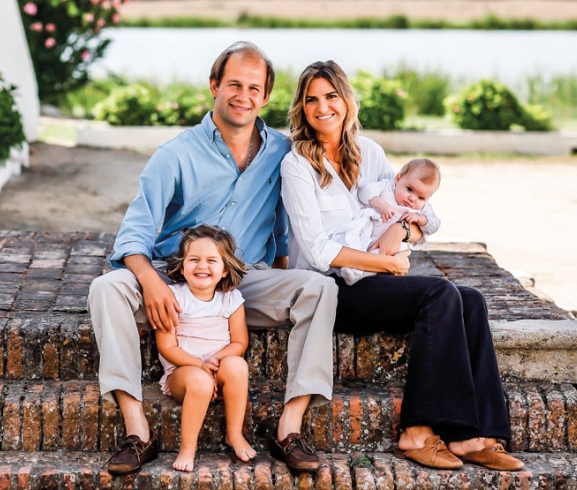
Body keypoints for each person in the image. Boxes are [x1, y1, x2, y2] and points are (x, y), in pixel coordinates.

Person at [88, 42, 337, 476]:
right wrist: (151, 282)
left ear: (266, 96)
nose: (243, 96)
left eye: (254, 88)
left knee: (320, 288)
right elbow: (135, 231)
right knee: (106, 288)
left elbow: (282, 225)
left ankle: (290, 427)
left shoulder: (282, 153)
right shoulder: (175, 154)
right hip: (174, 276)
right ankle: (136, 430)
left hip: (244, 280)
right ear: (214, 86)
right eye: (234, 85)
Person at [280, 60, 523, 471]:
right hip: (330, 288)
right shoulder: (297, 165)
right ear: (301, 108)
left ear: (346, 100)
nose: (322, 107)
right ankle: (415, 433)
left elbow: (409, 211)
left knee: (472, 301)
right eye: (311, 99)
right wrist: (384, 261)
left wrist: (403, 236)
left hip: (375, 280)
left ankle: (473, 436)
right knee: (440, 293)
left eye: (331, 96)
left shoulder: (370, 152)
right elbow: (318, 249)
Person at [156, 225, 256, 472]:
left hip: (218, 366)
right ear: (182, 265)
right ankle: (188, 448)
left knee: (237, 365)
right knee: (199, 381)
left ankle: (234, 433)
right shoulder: (172, 296)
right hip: (184, 373)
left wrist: (214, 361)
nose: (202, 266)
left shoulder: (231, 299)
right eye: (194, 260)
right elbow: (167, 346)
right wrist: (200, 366)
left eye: (212, 260)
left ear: (224, 270)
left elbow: (239, 343)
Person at [336, 158, 442, 285]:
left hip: (395, 247)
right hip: (370, 235)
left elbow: (434, 225)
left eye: (421, 197)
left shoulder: (423, 209)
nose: (412, 198)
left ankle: (357, 274)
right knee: (355, 242)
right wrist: (381, 205)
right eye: (409, 189)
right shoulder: (387, 187)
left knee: (387, 257)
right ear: (398, 179)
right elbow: (364, 192)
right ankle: (353, 270)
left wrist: (420, 219)